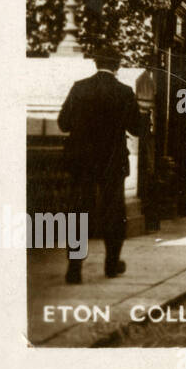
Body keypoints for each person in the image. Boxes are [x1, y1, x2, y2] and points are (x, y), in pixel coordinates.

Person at [57, 47, 143, 283]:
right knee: (113, 213)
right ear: (117, 66)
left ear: (96, 64)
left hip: (81, 161)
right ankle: (112, 264)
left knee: (78, 212)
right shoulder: (124, 92)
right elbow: (137, 127)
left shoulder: (79, 87)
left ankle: (74, 268)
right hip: (112, 162)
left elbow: (63, 123)